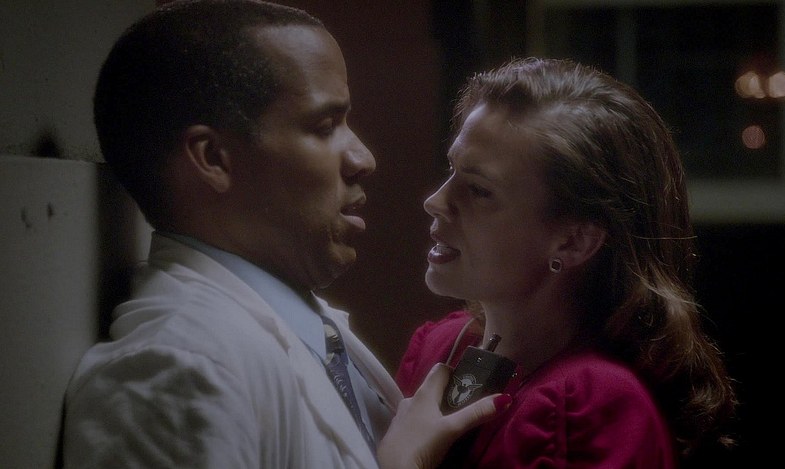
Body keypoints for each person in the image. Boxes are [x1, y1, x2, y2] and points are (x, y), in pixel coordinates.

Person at [61, 1, 505, 468]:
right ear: (213, 158)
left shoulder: (304, 329)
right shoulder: (174, 373)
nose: (363, 158)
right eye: (325, 126)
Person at [395, 57, 738, 468]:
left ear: (574, 241)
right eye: (452, 169)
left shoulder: (594, 405)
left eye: (480, 190)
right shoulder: (439, 347)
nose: (435, 201)